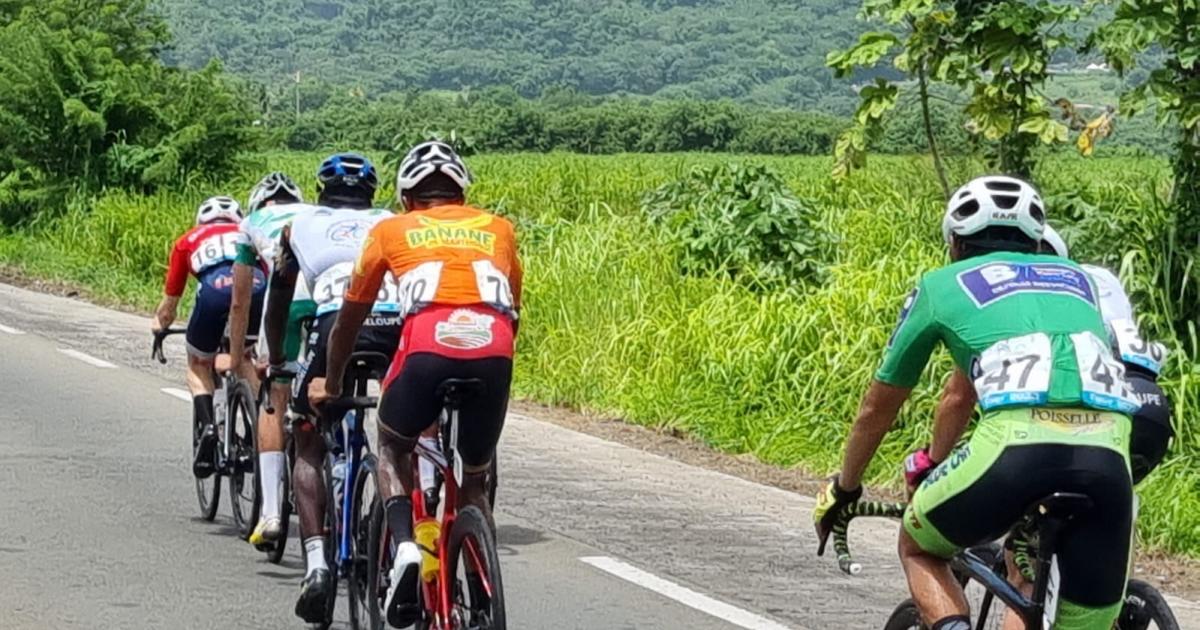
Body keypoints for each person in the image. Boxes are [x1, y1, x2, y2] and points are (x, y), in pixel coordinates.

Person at [814, 175, 1139, 630]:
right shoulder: (1080, 281)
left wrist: (845, 488)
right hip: (1109, 456)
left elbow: (879, 407)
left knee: (918, 544)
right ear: (1037, 240)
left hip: (1014, 448)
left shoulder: (941, 285)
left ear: (954, 242)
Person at [310, 141, 522, 628]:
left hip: (425, 346)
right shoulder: (499, 229)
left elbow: (349, 320)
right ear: (463, 195)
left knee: (392, 444)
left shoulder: (391, 229)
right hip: (494, 350)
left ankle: (406, 545)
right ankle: (477, 591)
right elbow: (514, 309)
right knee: (474, 479)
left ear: (406, 198)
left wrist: (333, 379)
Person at [261, 152, 401, 623]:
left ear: (321, 192)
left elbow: (279, 298)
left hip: (333, 326)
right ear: (372, 194)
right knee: (404, 430)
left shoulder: (298, 224)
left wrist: (278, 358)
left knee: (306, 439)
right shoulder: (392, 222)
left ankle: (318, 565)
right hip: (394, 328)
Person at [226, 172, 316, 549]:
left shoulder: (250, 225)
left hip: (288, 305)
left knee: (273, 400)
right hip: (333, 302)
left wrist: (235, 359)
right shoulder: (314, 214)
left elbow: (241, 300)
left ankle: (271, 514)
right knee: (324, 388)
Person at [152, 196, 265, 478]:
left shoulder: (187, 240)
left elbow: (169, 306)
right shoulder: (250, 232)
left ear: (201, 220)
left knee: (198, 364)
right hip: (256, 289)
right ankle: (263, 423)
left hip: (214, 292)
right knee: (244, 356)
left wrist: (159, 326)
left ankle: (209, 427)